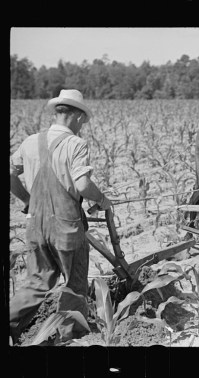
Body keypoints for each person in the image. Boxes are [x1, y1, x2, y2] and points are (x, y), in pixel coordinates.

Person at [10, 89, 112, 344]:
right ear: (77, 117)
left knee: (37, 280)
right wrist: (101, 200)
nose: (82, 126)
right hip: (66, 227)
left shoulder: (30, 141)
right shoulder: (75, 144)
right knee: (75, 284)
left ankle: (9, 325)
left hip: (35, 225)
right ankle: (72, 336)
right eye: (83, 122)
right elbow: (81, 184)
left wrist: (26, 199)